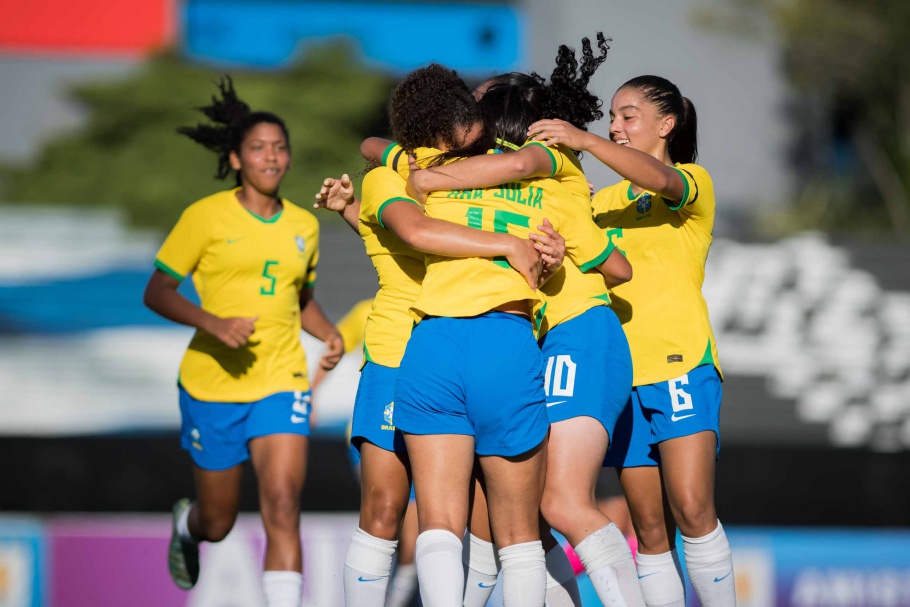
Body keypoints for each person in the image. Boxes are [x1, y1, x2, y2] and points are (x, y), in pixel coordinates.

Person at [402, 34, 647, 607]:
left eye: (480, 106)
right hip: (532, 342)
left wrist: (429, 177)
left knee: (560, 503)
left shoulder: (550, 178)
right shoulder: (529, 185)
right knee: (517, 519)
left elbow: (618, 266)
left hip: (577, 330)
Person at [314, 64, 562, 607]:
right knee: (386, 509)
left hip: (463, 345)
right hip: (400, 351)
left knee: (483, 520)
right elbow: (415, 232)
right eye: (467, 113)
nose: (478, 121)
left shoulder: (473, 171)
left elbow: (377, 154)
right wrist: (507, 245)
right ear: (442, 123)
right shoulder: (393, 174)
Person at [528, 75, 736, 607]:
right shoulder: (599, 200)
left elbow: (663, 183)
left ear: (666, 124)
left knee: (691, 509)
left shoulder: (692, 181)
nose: (615, 127)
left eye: (628, 116)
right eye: (612, 117)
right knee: (647, 528)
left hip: (679, 363)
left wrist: (585, 140)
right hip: (619, 375)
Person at [143, 77, 343, 607]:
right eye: (258, 148)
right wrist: (214, 323)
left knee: (282, 502)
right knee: (220, 522)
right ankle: (188, 525)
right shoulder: (205, 217)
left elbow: (298, 299)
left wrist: (328, 332)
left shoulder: (305, 225)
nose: (271, 157)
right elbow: (157, 292)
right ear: (235, 159)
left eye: (280, 148)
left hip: (281, 380)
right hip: (213, 384)